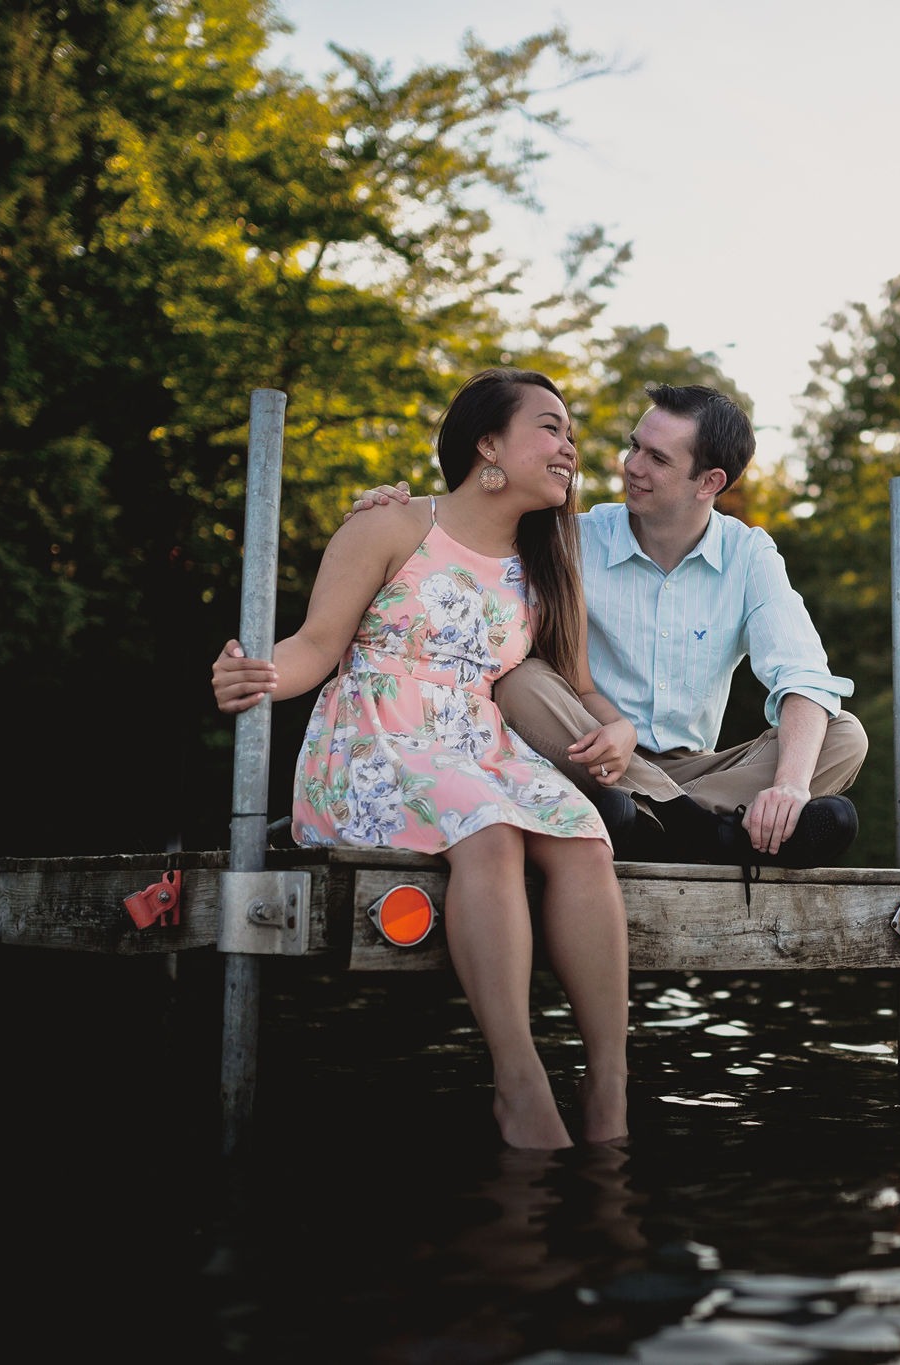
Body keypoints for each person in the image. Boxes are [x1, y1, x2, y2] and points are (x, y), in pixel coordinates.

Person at [211, 368, 629, 1151]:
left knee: (582, 835)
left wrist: (620, 731)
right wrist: (259, 672)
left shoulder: (541, 564)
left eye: (572, 433)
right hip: (376, 740)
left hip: (480, 746)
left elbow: (582, 686)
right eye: (551, 426)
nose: (569, 446)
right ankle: (520, 1079)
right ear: (488, 444)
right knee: (492, 828)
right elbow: (316, 645)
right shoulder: (392, 524)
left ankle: (609, 1084)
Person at [350, 383, 867, 868]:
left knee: (843, 735)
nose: (631, 467)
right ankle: (718, 833)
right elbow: (465, 532)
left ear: (710, 482)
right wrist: (395, 510)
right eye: (634, 447)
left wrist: (792, 787)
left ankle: (663, 823)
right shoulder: (569, 537)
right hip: (586, 755)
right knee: (522, 682)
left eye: (657, 459)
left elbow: (803, 676)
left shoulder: (749, 554)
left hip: (693, 770)